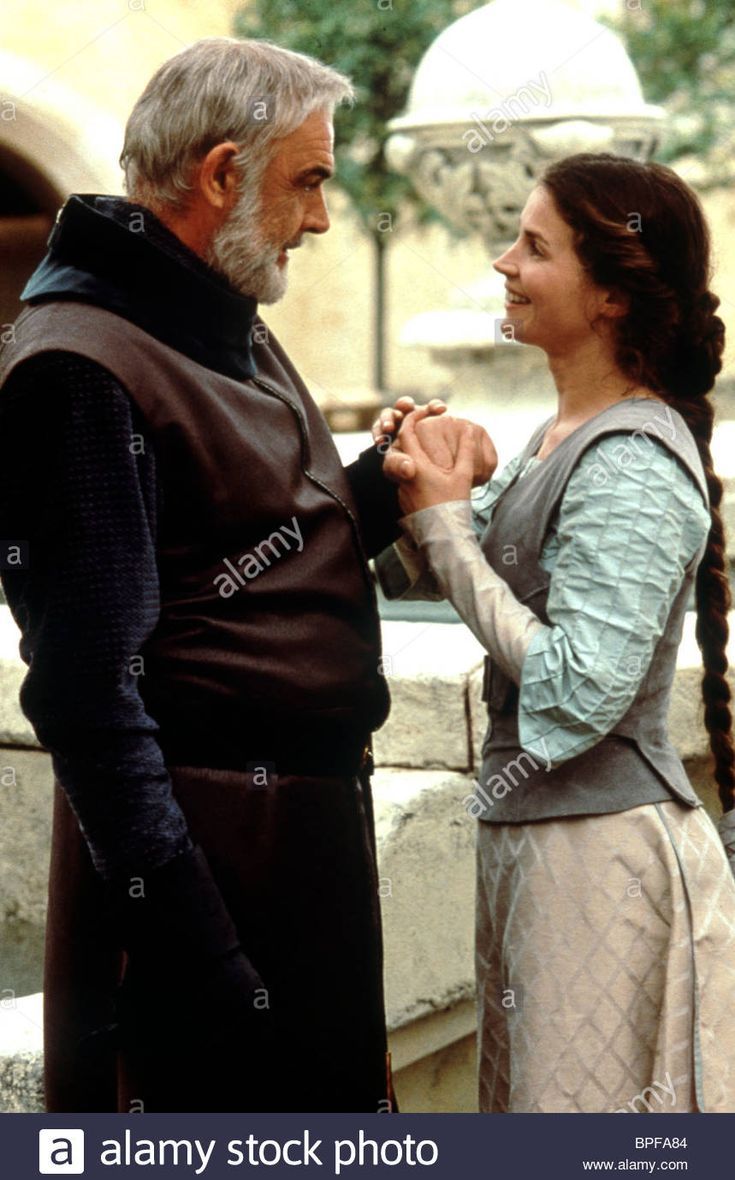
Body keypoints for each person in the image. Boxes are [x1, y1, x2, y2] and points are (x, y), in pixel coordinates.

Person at [0, 36, 489, 1113]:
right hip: (200, 875)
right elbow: (87, 693)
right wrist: (196, 952)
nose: (321, 216)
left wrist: (387, 476)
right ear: (222, 173)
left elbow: (247, 554)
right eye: (308, 178)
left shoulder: (220, 315)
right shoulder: (79, 365)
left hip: (294, 853)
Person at [376, 153, 735, 1113]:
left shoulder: (630, 459)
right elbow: (429, 570)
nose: (502, 262)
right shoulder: (558, 434)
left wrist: (448, 523)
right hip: (541, 847)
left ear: (611, 297)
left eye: (533, 247)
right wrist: (408, 481)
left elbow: (581, 693)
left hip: (599, 859)